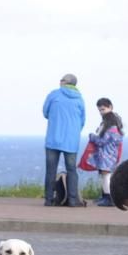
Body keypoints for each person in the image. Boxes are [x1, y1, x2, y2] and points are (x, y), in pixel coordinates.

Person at [43, 74, 86, 207]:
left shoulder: (54, 94)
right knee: (72, 170)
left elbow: (45, 112)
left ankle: (49, 199)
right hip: (71, 141)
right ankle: (73, 200)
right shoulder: (80, 99)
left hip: (53, 138)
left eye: (61, 80)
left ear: (64, 82)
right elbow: (82, 121)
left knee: (51, 170)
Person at [87, 98, 124, 207]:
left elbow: (102, 141)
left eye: (103, 109)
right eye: (100, 110)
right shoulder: (115, 124)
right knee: (105, 175)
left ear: (110, 107)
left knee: (106, 175)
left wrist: (92, 137)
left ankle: (109, 198)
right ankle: (105, 196)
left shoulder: (110, 126)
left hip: (106, 154)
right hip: (109, 154)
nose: (101, 112)